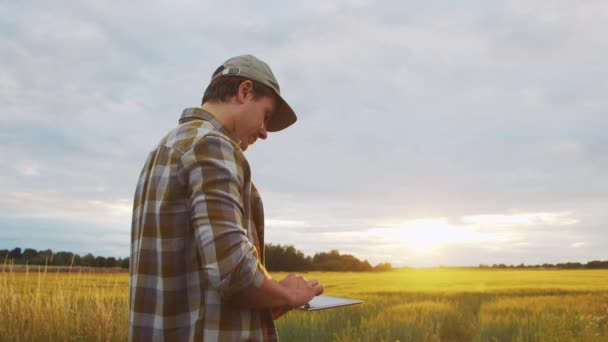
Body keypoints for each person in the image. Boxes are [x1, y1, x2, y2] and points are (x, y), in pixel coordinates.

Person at [129, 55, 323, 341]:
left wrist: (269, 299)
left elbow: (196, 281)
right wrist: (288, 294)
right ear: (244, 92)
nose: (264, 132)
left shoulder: (163, 150)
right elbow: (233, 271)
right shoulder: (213, 145)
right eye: (266, 116)